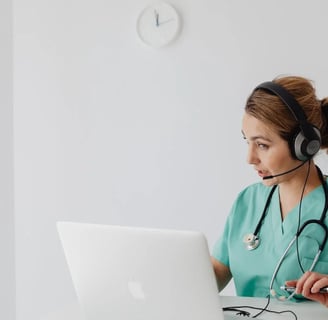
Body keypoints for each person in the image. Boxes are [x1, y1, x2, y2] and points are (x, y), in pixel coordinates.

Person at [211, 75, 328, 305]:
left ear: (304, 145)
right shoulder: (248, 200)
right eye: (248, 142)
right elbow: (216, 271)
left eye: (262, 145)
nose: (250, 158)